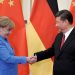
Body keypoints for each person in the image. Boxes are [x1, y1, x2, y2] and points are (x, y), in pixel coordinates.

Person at [30, 10, 75, 75]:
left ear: (66, 22)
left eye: (57, 22)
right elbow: (52, 51)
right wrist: (37, 57)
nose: (56, 25)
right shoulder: (59, 36)